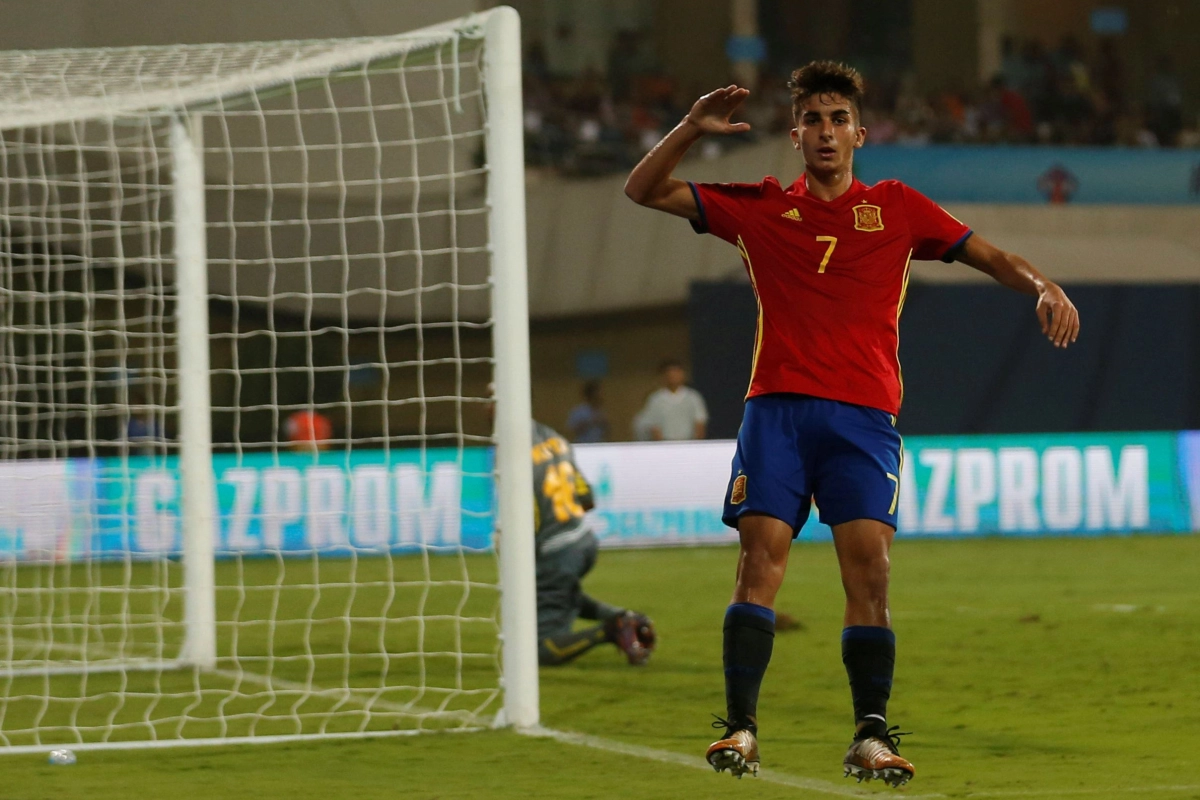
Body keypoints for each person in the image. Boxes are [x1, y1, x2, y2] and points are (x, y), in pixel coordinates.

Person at [623, 62, 1079, 785]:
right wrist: (689, 127)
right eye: (812, 119)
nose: (826, 131)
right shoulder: (760, 208)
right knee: (759, 565)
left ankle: (870, 733)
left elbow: (990, 255)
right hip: (777, 410)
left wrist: (1043, 284)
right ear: (795, 134)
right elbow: (641, 190)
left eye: (839, 119)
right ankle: (740, 728)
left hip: (865, 420)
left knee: (871, 574)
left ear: (860, 133)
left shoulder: (898, 208)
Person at [529, 419, 656, 666]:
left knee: (539, 649)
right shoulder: (556, 440)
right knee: (556, 592)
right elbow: (587, 497)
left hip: (556, 550)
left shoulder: (514, 451)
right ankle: (625, 617)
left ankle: (611, 629)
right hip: (582, 539)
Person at [639, 359, 708, 441]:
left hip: (688, 444)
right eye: (669, 373)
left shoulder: (693, 397)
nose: (672, 376)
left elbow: (700, 423)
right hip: (665, 445)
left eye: (676, 372)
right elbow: (654, 426)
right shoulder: (656, 399)